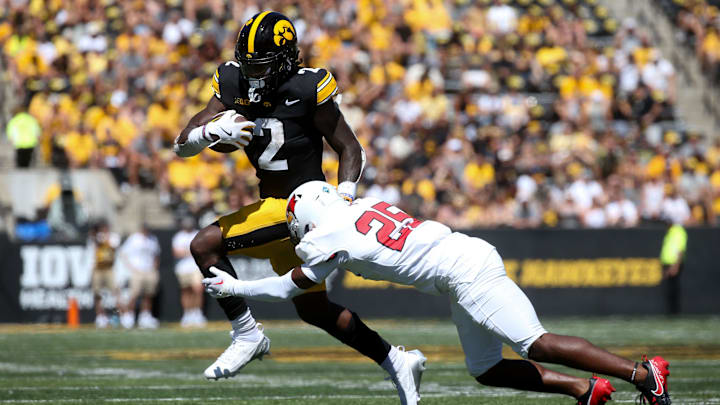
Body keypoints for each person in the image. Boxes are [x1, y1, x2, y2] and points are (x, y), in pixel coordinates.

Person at [204, 181, 672, 405]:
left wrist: (236, 285)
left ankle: (643, 372)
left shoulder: (325, 236)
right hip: (460, 264)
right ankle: (585, 390)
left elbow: (290, 287)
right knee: (486, 370)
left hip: (466, 272)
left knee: (537, 343)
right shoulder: (358, 207)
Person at [173, 11, 408, 399]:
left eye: (261, 66)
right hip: (274, 206)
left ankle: (247, 334)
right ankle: (395, 360)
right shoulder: (232, 80)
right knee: (314, 310)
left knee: (203, 245)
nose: (252, 75)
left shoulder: (307, 86)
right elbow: (182, 145)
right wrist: (208, 133)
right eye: (249, 66)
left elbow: (351, 148)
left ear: (284, 59)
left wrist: (342, 199)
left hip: (307, 207)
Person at [119, 224, 161, 329]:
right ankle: (129, 315)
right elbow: (123, 253)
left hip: (149, 270)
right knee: (134, 294)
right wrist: (131, 268)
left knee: (148, 294)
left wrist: (154, 268)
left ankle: (145, 316)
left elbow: (156, 254)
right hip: (136, 271)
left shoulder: (153, 239)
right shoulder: (134, 238)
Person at [172, 217, 207, 327]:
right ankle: (187, 314)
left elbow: (202, 250)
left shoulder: (197, 234)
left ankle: (197, 313)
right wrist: (192, 251)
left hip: (196, 268)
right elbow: (177, 253)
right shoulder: (178, 236)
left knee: (198, 289)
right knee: (186, 291)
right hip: (182, 269)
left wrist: (187, 251)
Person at [89, 220, 121, 328]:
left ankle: (116, 315)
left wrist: (103, 239)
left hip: (109, 268)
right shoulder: (96, 236)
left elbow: (113, 246)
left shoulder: (113, 237)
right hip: (98, 268)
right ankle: (100, 316)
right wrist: (95, 235)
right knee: (97, 293)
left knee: (116, 292)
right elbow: (93, 243)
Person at [659, 221, 687, 315]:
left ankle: (675, 312)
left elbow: (680, 250)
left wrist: (675, 266)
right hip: (669, 264)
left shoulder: (678, 232)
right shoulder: (671, 232)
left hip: (674, 264)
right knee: (669, 289)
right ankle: (671, 312)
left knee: (674, 290)